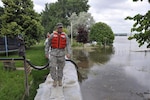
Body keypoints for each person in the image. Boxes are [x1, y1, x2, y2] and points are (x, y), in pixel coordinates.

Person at [45, 23, 71, 87]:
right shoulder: (52, 35)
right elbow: (48, 44)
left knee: (61, 68)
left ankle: (60, 80)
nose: (60, 29)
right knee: (52, 67)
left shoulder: (65, 35)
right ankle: (54, 80)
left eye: (61, 27)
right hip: (53, 53)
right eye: (59, 27)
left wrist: (68, 53)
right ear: (57, 28)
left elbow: (68, 44)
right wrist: (46, 52)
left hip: (62, 54)